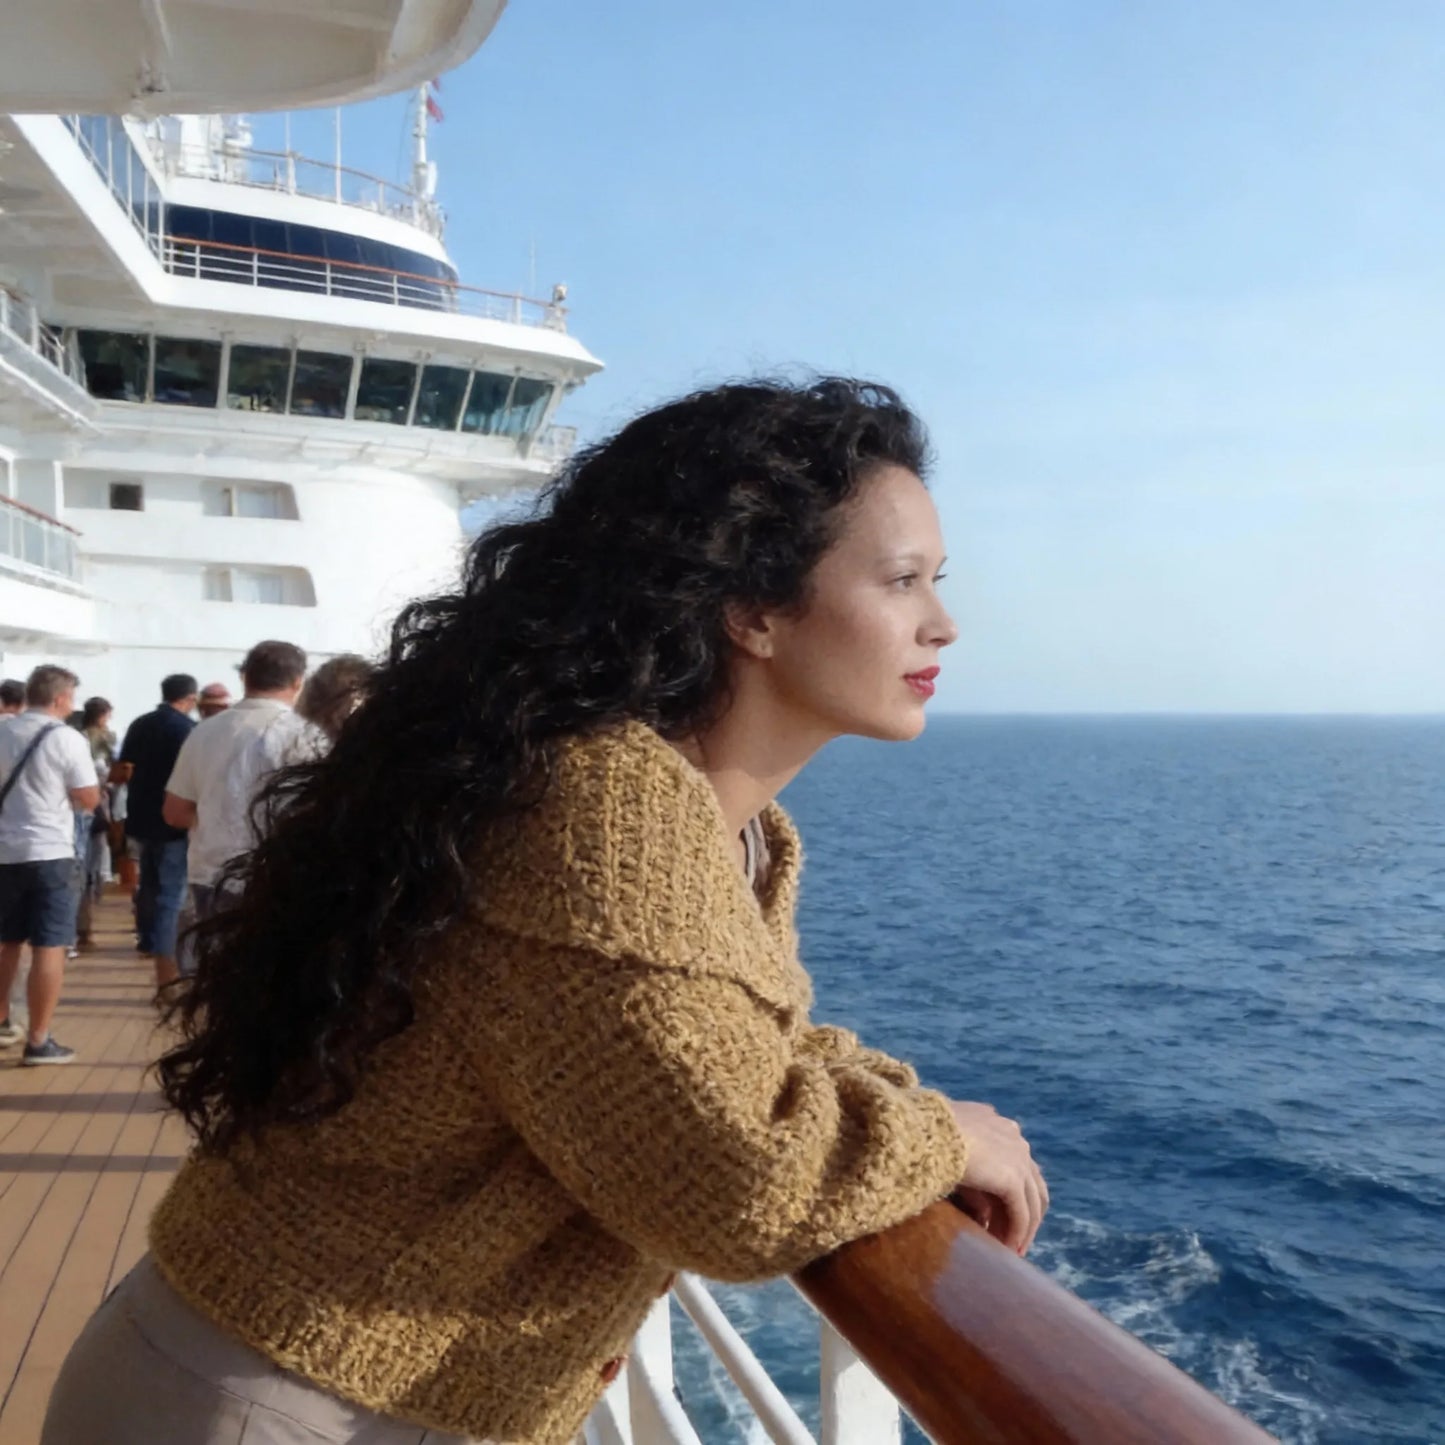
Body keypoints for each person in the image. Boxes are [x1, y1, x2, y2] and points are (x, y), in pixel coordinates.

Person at [43, 378, 1047, 1444]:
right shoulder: (602, 805)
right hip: (283, 1400)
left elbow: (731, 1052)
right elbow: (737, 1183)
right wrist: (939, 1135)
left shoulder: (727, 827)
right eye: (902, 580)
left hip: (306, 1377)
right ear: (750, 604)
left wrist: (891, 1097)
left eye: (936, 581)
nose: (943, 620)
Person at [162, 642, 307, 938]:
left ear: (245, 678)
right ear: (297, 682)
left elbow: (175, 813)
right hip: (277, 879)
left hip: (211, 876)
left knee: (215, 974)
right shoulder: (304, 735)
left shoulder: (202, 732)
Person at [0, 665, 101, 1064]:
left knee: (7, 943)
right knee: (49, 945)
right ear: (60, 699)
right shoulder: (66, 738)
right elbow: (88, 797)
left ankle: (3, 1021)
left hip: (4, 852)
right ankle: (39, 1040)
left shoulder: (3, 729)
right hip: (50, 853)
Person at [114, 675, 198, 987]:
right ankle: (166, 960)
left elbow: (124, 767)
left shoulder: (139, 724)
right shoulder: (187, 730)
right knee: (171, 895)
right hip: (173, 823)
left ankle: (147, 939)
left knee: (148, 885)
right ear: (190, 698)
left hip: (140, 817)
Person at [73, 697, 116, 948]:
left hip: (75, 808)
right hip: (97, 804)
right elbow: (115, 769)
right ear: (103, 716)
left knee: (81, 865)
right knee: (94, 866)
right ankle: (85, 926)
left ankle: (81, 926)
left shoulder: (75, 736)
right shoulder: (105, 738)